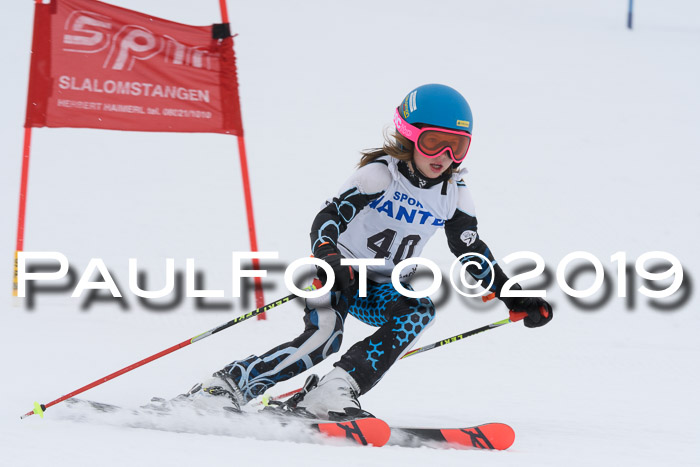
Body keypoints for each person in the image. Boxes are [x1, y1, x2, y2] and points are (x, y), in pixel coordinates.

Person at [185, 84, 553, 419]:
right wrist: (329, 257)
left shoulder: (454, 195)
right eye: (433, 143)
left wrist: (513, 294)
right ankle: (227, 385)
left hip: (382, 289)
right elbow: (328, 218)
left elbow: (470, 250)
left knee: (418, 310)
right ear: (410, 137)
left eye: (455, 146)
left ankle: (332, 391)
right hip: (338, 273)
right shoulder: (380, 176)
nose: (443, 155)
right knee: (324, 338)